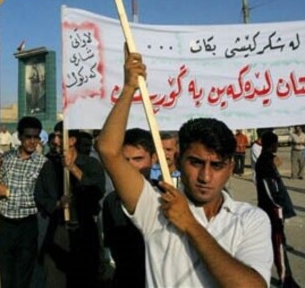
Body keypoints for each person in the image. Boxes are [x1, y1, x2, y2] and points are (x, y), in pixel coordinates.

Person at [95, 51, 272, 287]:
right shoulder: (156, 207)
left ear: (230, 168)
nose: (205, 176)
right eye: (196, 162)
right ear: (177, 160)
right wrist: (129, 88)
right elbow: (108, 150)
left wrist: (190, 224)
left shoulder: (250, 219)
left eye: (216, 165)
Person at [35, 122, 105, 288]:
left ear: (71, 140)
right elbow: (40, 197)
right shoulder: (49, 166)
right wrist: (58, 204)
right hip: (58, 230)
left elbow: (97, 191)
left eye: (60, 136)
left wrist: (73, 169)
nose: (55, 141)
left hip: (85, 230)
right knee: (54, 279)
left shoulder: (91, 164)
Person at [0, 116, 47, 288]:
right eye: (28, 136)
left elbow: (38, 197)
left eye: (36, 137)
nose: (32, 141)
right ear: (20, 137)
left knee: (23, 276)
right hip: (5, 225)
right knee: (6, 275)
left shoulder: (43, 164)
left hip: (27, 227)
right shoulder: (6, 159)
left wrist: (7, 192)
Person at [102, 128, 156, 288]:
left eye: (138, 159)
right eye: (126, 160)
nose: (131, 166)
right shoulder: (111, 201)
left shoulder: (166, 198)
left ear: (153, 158)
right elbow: (110, 244)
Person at [255, 131, 299, 287]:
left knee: (278, 242)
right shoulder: (264, 162)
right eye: (276, 143)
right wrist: (278, 206)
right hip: (272, 209)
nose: (278, 146)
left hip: (274, 208)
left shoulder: (268, 159)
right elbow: (269, 188)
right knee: (277, 243)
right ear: (272, 144)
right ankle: (285, 279)